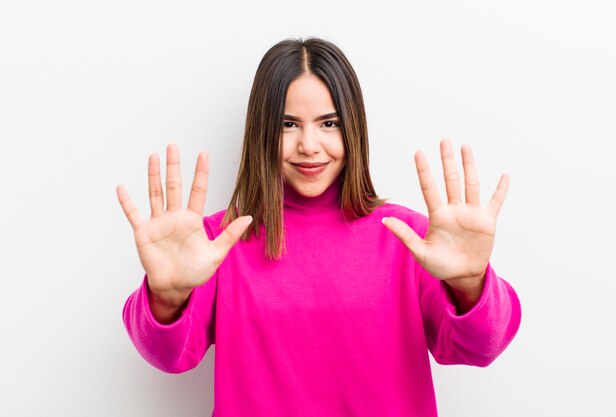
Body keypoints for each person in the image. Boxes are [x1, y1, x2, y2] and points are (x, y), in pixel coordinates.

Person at [117, 38, 521, 417]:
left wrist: (471, 284)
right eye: (288, 125)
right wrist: (166, 297)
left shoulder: (410, 238)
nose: (309, 144)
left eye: (328, 124)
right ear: (262, 132)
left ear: (354, 128)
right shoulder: (215, 244)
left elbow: (482, 347)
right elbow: (168, 356)